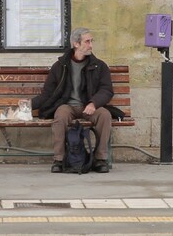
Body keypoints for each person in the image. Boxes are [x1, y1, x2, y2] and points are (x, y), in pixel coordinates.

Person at [30, 27, 114, 173]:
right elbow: (47, 94)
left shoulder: (99, 66)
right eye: (87, 41)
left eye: (91, 41)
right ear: (76, 44)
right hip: (67, 106)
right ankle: (59, 159)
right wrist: (28, 105)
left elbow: (106, 90)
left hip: (89, 106)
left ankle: (100, 159)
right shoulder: (60, 66)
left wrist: (94, 103)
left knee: (105, 115)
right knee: (60, 115)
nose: (91, 45)